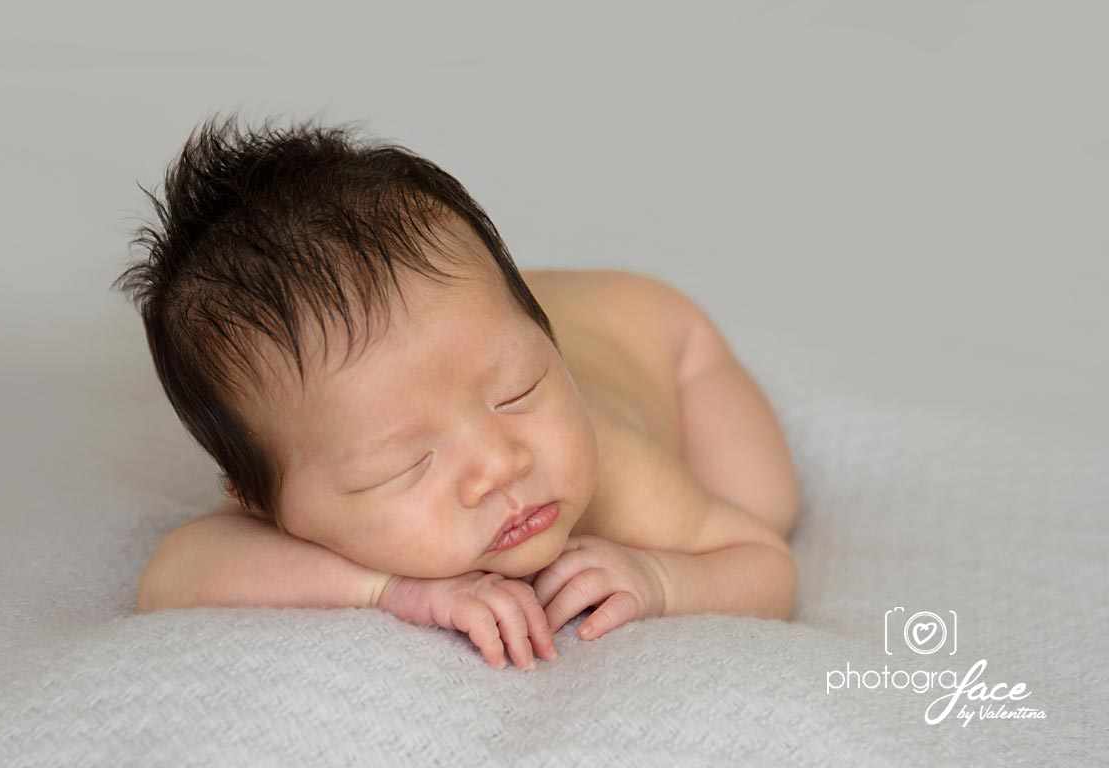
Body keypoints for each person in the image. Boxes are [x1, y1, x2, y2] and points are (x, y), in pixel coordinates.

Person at [113, 112, 800, 672]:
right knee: (445, 346)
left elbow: (763, 562)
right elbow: (172, 577)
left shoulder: (620, 476)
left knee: (766, 501)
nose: (501, 465)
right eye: (405, 463)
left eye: (520, 391)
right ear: (262, 500)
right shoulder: (302, 463)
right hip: (473, 338)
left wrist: (660, 578)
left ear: (546, 345)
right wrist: (391, 590)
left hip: (658, 334)